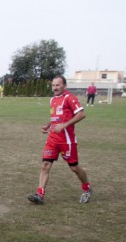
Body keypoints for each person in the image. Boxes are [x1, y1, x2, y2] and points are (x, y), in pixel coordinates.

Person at [27, 75, 92, 205]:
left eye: (57, 85)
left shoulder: (70, 98)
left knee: (74, 168)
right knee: (45, 165)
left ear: (64, 86)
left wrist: (65, 125)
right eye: (53, 85)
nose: (55, 88)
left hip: (67, 140)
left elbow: (82, 114)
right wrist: (48, 125)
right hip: (52, 139)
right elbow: (55, 117)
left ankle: (87, 188)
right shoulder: (52, 100)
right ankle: (40, 194)